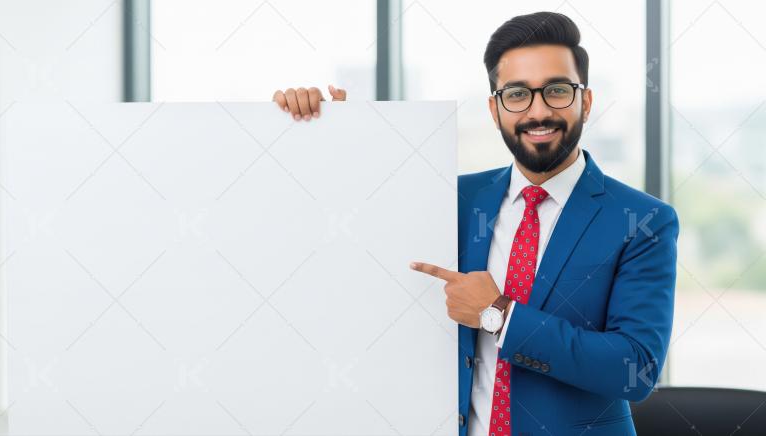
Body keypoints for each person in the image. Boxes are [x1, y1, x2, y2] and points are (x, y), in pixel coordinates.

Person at [273, 11, 678, 436]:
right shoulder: (454, 199)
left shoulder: (642, 221)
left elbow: (635, 368)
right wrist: (327, 130)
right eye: (517, 94)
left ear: (586, 101)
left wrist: (499, 314)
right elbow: (351, 222)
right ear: (494, 108)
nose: (538, 111)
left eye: (557, 90)